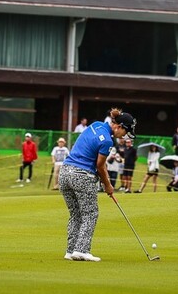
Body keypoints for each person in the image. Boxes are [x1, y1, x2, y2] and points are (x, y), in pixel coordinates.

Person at [58, 107, 136, 262]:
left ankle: (70, 250)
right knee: (90, 214)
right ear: (118, 126)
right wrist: (108, 185)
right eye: (125, 133)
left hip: (64, 173)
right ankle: (81, 250)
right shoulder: (108, 141)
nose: (125, 137)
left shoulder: (96, 125)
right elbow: (100, 165)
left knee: (76, 214)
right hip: (82, 175)